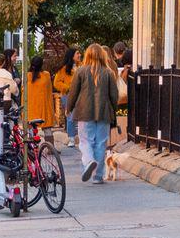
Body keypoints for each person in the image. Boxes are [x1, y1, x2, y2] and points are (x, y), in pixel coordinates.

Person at [63, 44, 121, 185]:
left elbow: (73, 92)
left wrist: (69, 107)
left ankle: (89, 161)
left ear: (87, 55)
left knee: (85, 141)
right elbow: (114, 96)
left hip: (84, 112)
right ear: (102, 55)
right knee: (101, 143)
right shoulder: (108, 73)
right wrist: (113, 111)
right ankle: (98, 176)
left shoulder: (81, 71)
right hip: (104, 113)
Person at [51, 47, 78, 146]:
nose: (79, 55)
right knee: (71, 116)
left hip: (80, 95)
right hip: (68, 95)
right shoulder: (63, 69)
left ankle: (78, 137)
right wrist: (68, 88)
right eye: (77, 54)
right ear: (72, 56)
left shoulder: (81, 66)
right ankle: (71, 138)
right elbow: (56, 83)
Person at [22, 54, 57, 129]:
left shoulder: (27, 76)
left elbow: (23, 92)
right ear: (41, 64)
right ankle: (49, 141)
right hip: (44, 109)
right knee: (47, 129)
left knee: (30, 130)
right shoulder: (46, 75)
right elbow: (49, 92)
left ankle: (31, 140)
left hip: (30, 109)